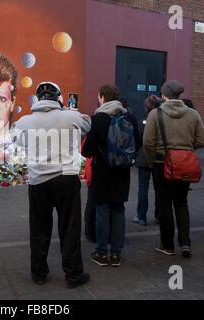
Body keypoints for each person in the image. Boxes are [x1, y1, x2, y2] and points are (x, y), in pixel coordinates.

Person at [11, 81, 91, 288]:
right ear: (58, 98)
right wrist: (64, 110)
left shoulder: (24, 121)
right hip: (67, 179)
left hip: (38, 182)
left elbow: (15, 139)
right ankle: (73, 275)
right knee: (70, 228)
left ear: (37, 100)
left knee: (39, 228)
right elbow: (87, 125)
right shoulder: (71, 116)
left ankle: (39, 273)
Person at [143, 80, 204, 257]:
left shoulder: (156, 114)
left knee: (164, 204)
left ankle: (167, 244)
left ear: (164, 95)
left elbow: (148, 142)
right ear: (179, 95)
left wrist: (151, 161)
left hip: (161, 164)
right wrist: (185, 149)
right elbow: (201, 140)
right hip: (184, 163)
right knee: (181, 202)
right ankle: (185, 243)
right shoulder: (193, 114)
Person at [82, 85, 140, 267]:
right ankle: (116, 254)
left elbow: (86, 149)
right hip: (122, 173)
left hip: (102, 173)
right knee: (119, 211)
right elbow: (137, 144)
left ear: (102, 97)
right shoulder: (129, 117)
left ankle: (101, 252)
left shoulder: (99, 118)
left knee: (102, 212)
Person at [132, 95, 162, 226]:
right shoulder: (163, 121)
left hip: (144, 157)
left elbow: (138, 140)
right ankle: (159, 215)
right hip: (159, 157)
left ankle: (141, 216)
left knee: (143, 188)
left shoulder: (142, 121)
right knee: (159, 189)